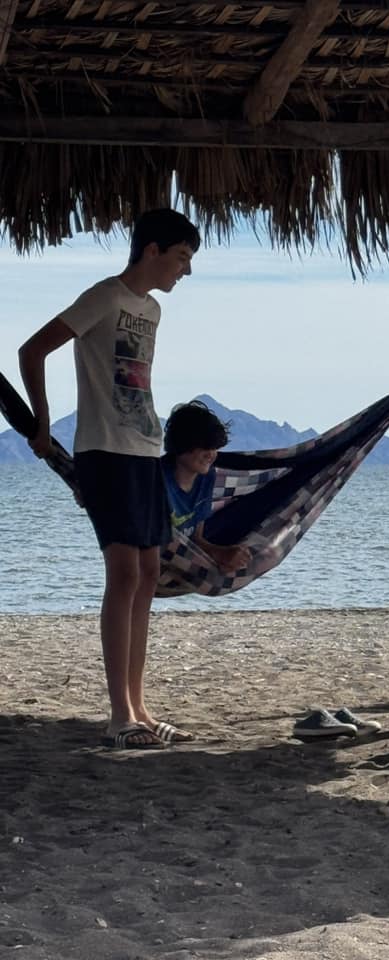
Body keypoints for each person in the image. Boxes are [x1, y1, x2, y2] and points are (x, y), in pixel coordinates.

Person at [18, 208, 201, 750]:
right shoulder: (104, 296)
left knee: (148, 572)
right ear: (152, 250)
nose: (185, 271)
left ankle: (140, 707)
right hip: (103, 451)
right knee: (123, 574)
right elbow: (32, 350)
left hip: (144, 451)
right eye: (182, 258)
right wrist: (45, 420)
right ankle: (119, 713)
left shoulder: (152, 311)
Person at [162, 400, 252, 573]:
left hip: (176, 561)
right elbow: (155, 542)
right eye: (205, 446)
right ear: (182, 444)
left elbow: (196, 539)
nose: (211, 454)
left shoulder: (207, 476)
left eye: (215, 447)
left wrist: (222, 556)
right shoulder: (155, 481)